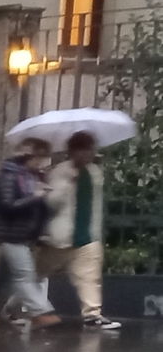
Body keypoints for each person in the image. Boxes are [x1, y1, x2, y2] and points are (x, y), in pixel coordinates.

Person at [36, 130, 121, 332]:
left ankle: (92, 315)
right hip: (60, 238)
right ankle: (12, 308)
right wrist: (67, 184)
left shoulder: (95, 173)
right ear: (74, 152)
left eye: (91, 150)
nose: (90, 154)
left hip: (87, 237)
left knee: (90, 276)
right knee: (34, 275)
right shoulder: (59, 172)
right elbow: (50, 203)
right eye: (85, 150)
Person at [0, 138, 58, 327]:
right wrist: (35, 196)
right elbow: (7, 206)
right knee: (24, 274)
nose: (43, 162)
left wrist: (43, 197)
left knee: (2, 277)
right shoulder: (9, 177)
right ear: (29, 156)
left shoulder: (32, 178)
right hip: (9, 234)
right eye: (41, 157)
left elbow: (39, 209)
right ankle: (40, 312)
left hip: (23, 235)